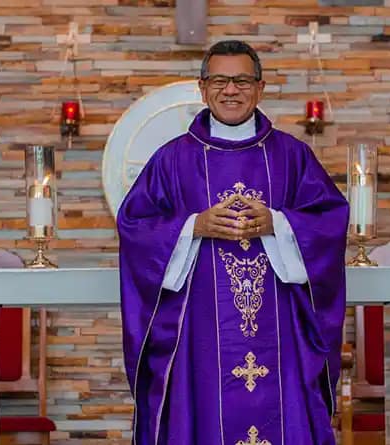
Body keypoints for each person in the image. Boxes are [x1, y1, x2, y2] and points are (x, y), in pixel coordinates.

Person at [117, 40, 349, 445]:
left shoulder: (292, 156)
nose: (230, 90)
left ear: (260, 88)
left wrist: (279, 223)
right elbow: (135, 226)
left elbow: (329, 220)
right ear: (202, 87)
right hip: (198, 329)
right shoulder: (172, 160)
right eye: (219, 80)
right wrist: (193, 226)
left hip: (280, 325)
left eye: (242, 80)